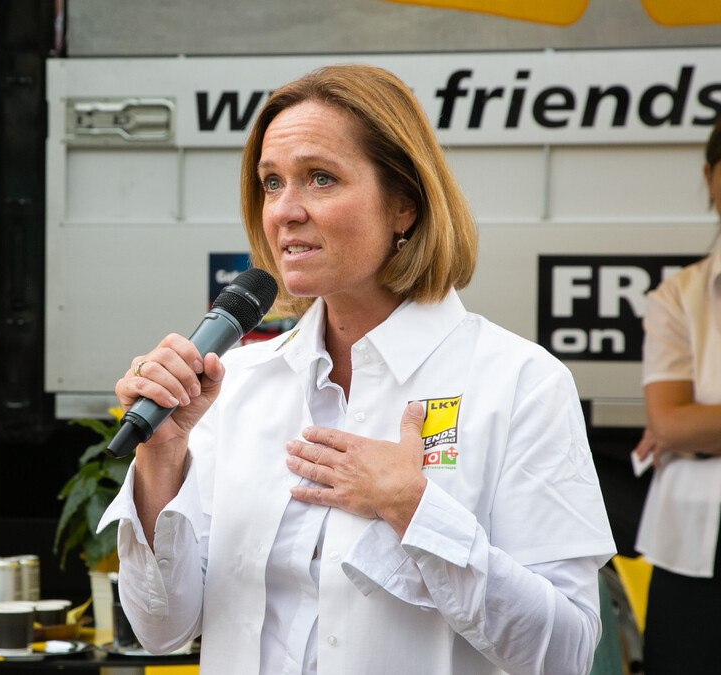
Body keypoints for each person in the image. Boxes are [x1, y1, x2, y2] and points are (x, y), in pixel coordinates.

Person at [99, 64, 616, 674]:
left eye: (320, 179)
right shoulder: (236, 384)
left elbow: (567, 654)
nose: (285, 211)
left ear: (404, 206)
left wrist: (416, 509)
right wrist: (161, 458)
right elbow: (160, 630)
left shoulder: (520, 382)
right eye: (271, 183)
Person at [630, 120, 721, 674]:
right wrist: (682, 427)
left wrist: (701, 426)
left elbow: (688, 423)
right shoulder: (678, 296)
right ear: (710, 177)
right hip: (693, 540)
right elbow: (669, 421)